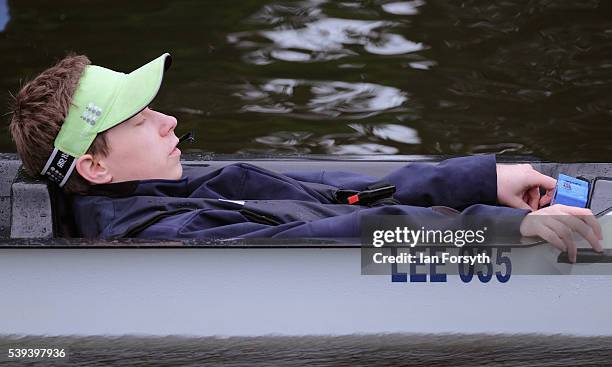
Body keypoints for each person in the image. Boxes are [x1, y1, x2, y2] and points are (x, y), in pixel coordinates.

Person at [8, 52, 603, 262]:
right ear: (94, 167)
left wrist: (480, 178)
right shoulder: (174, 229)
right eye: (141, 120)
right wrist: (502, 231)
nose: (168, 122)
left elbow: (333, 192)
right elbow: (355, 234)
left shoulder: (174, 189)